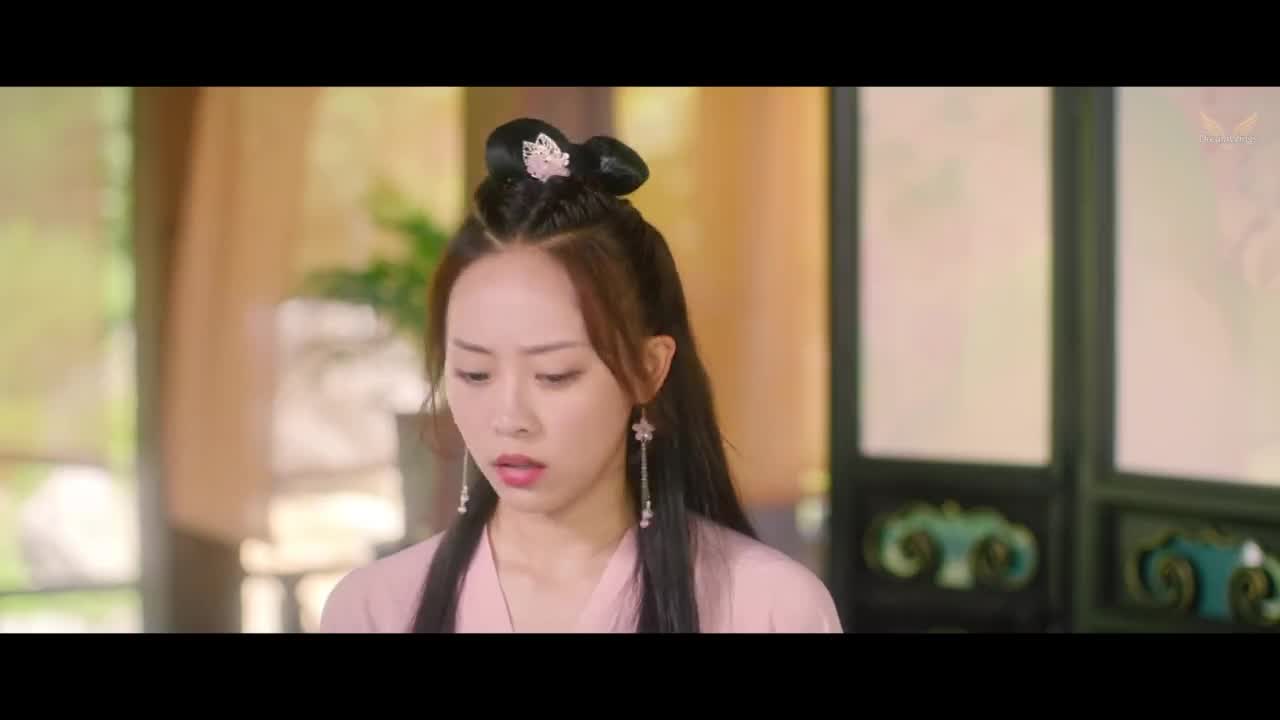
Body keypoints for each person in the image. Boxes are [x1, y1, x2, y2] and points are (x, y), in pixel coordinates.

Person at [319, 117, 842, 633]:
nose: (509, 418)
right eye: (475, 374)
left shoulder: (768, 607)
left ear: (648, 369)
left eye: (555, 375)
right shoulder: (375, 609)